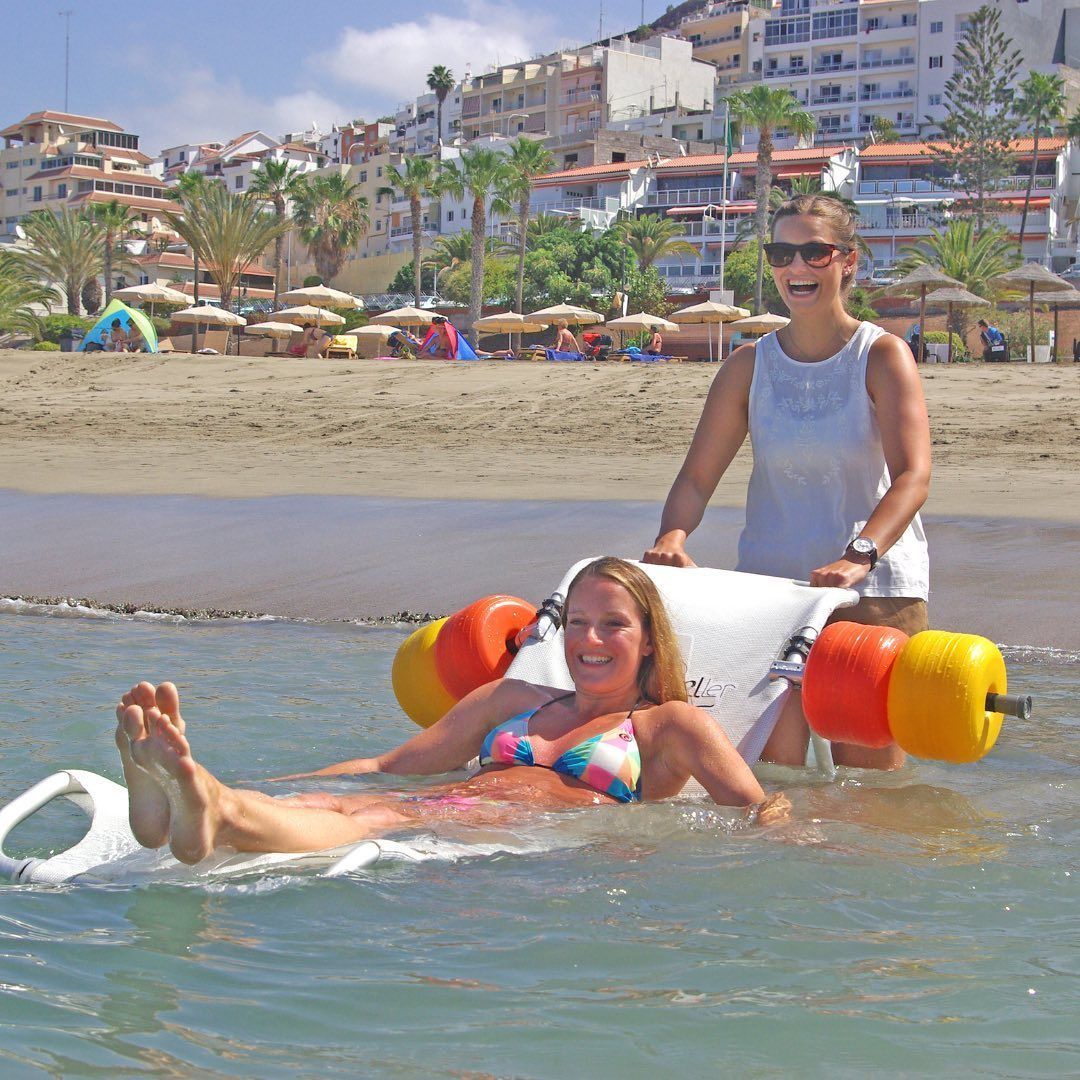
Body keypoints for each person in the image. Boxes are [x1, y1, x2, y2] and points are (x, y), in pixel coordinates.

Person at [113, 558, 788, 865]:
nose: (588, 640)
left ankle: (213, 811)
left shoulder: (666, 726)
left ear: (647, 644)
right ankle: (183, 804)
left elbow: (757, 805)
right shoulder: (515, 700)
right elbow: (387, 765)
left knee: (377, 819)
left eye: (613, 625)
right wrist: (292, 783)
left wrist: (801, 843)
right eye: (578, 622)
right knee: (342, 800)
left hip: (516, 830)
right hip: (449, 800)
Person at [643, 194, 931, 772]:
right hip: (770, 597)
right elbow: (697, 479)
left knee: (869, 787)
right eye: (781, 252)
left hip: (871, 594)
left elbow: (913, 477)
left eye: (814, 252)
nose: (796, 268)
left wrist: (860, 555)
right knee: (772, 781)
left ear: (848, 261)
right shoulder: (748, 366)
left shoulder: (882, 356)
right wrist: (673, 536)